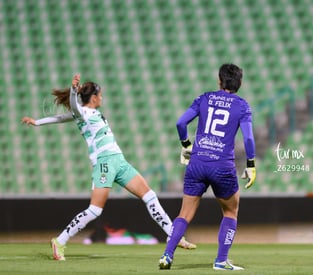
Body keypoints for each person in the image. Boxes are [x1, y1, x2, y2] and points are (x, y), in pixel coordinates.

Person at [21, 74, 196, 261]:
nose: (102, 98)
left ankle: (174, 236)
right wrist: (73, 90)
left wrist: (37, 122)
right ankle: (60, 241)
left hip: (119, 161)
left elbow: (59, 118)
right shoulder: (82, 112)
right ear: (94, 97)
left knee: (150, 196)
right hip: (104, 163)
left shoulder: (90, 113)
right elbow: (69, 109)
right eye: (101, 95)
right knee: (95, 210)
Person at [158, 63, 256, 270]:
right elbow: (248, 139)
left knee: (184, 214)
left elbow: (180, 124)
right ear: (240, 82)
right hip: (222, 166)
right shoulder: (242, 106)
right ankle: (221, 260)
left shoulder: (204, 98)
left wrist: (186, 144)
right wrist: (251, 164)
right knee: (230, 211)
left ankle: (167, 255)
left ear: (219, 81)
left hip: (197, 162)